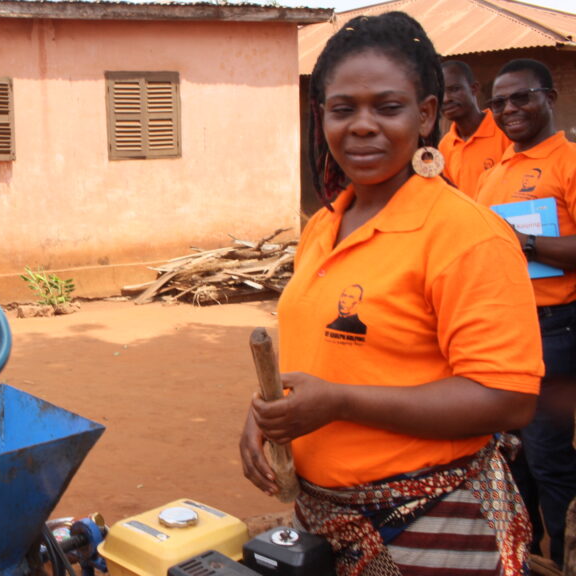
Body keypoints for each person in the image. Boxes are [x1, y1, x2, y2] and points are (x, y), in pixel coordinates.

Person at [239, 13, 543, 575]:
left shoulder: (465, 234)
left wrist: (339, 403)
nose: (362, 125)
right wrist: (271, 416)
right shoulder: (324, 226)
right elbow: (329, 360)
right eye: (343, 108)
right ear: (321, 116)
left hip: (430, 524)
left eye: (387, 106)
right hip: (325, 520)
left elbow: (507, 398)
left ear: (426, 115)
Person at [475, 58, 576, 570]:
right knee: (511, 459)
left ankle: (562, 559)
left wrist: (527, 243)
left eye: (521, 97)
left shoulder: (569, 162)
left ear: (550, 96)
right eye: (498, 102)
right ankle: (523, 556)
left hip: (554, 331)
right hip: (501, 331)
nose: (509, 109)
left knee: (549, 457)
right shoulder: (494, 176)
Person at [437, 60, 511, 199]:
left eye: (454, 89)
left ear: (474, 88)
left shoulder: (505, 132)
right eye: (440, 93)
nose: (446, 99)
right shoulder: (445, 146)